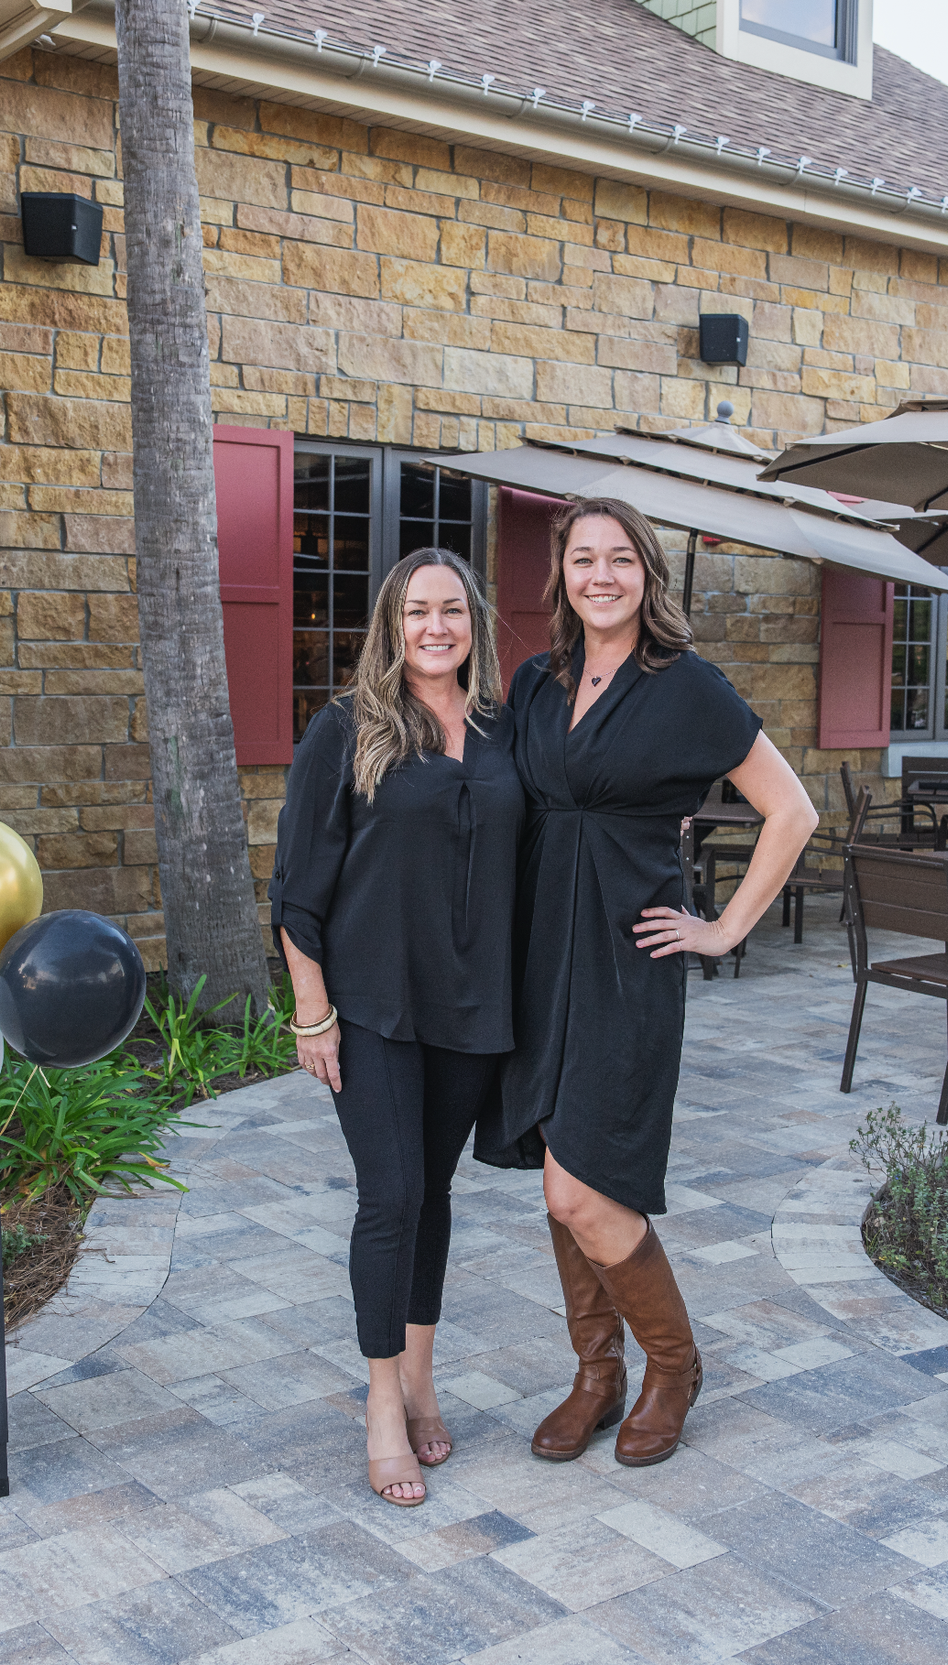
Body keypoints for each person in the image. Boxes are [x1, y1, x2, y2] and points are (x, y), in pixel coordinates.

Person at [485, 496, 818, 1468]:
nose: (600, 575)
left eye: (619, 559)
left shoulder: (687, 688)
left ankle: (671, 1367)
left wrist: (722, 930)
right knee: (559, 1180)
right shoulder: (536, 685)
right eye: (583, 559)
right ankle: (596, 1375)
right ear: (561, 577)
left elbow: (789, 811)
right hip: (537, 956)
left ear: (647, 576)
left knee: (587, 1185)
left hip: (627, 961)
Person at [270, 547, 522, 1509]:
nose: (435, 628)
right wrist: (312, 1012)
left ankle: (422, 1373)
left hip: (472, 1008)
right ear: (392, 622)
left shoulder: (503, 730)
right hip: (372, 1007)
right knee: (392, 1194)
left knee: (434, 1194)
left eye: (452, 611)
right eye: (418, 611)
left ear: (474, 624)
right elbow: (296, 888)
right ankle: (383, 1401)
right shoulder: (346, 730)